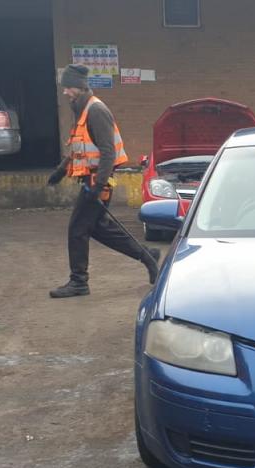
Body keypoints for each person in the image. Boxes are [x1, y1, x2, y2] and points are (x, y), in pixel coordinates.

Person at [47, 64, 161, 299]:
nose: (65, 92)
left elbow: (108, 152)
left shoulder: (96, 110)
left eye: (68, 87)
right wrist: (60, 171)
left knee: (77, 229)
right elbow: (78, 147)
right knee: (98, 228)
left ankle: (79, 282)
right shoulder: (81, 110)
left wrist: (98, 186)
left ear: (79, 87)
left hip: (98, 181)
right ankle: (146, 255)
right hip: (93, 180)